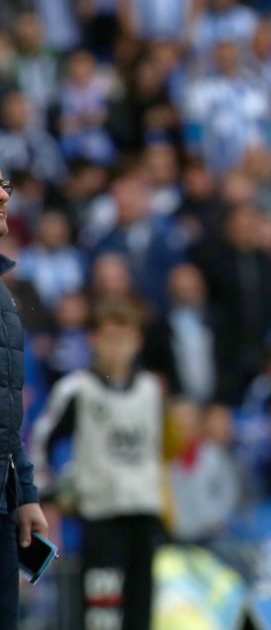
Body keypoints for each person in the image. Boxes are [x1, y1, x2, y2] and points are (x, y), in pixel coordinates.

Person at [34, 302, 163, 630]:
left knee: (140, 612)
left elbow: (158, 452)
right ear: (94, 340)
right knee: (101, 614)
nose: (117, 348)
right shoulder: (78, 388)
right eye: (110, 338)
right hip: (102, 515)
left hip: (144, 513)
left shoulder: (151, 390)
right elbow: (40, 440)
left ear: (137, 342)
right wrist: (48, 493)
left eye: (125, 339)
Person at [0, 170, 50, 626]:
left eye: (5, 186)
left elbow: (7, 413)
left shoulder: (4, 296)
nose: (3, 196)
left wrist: (25, 495)